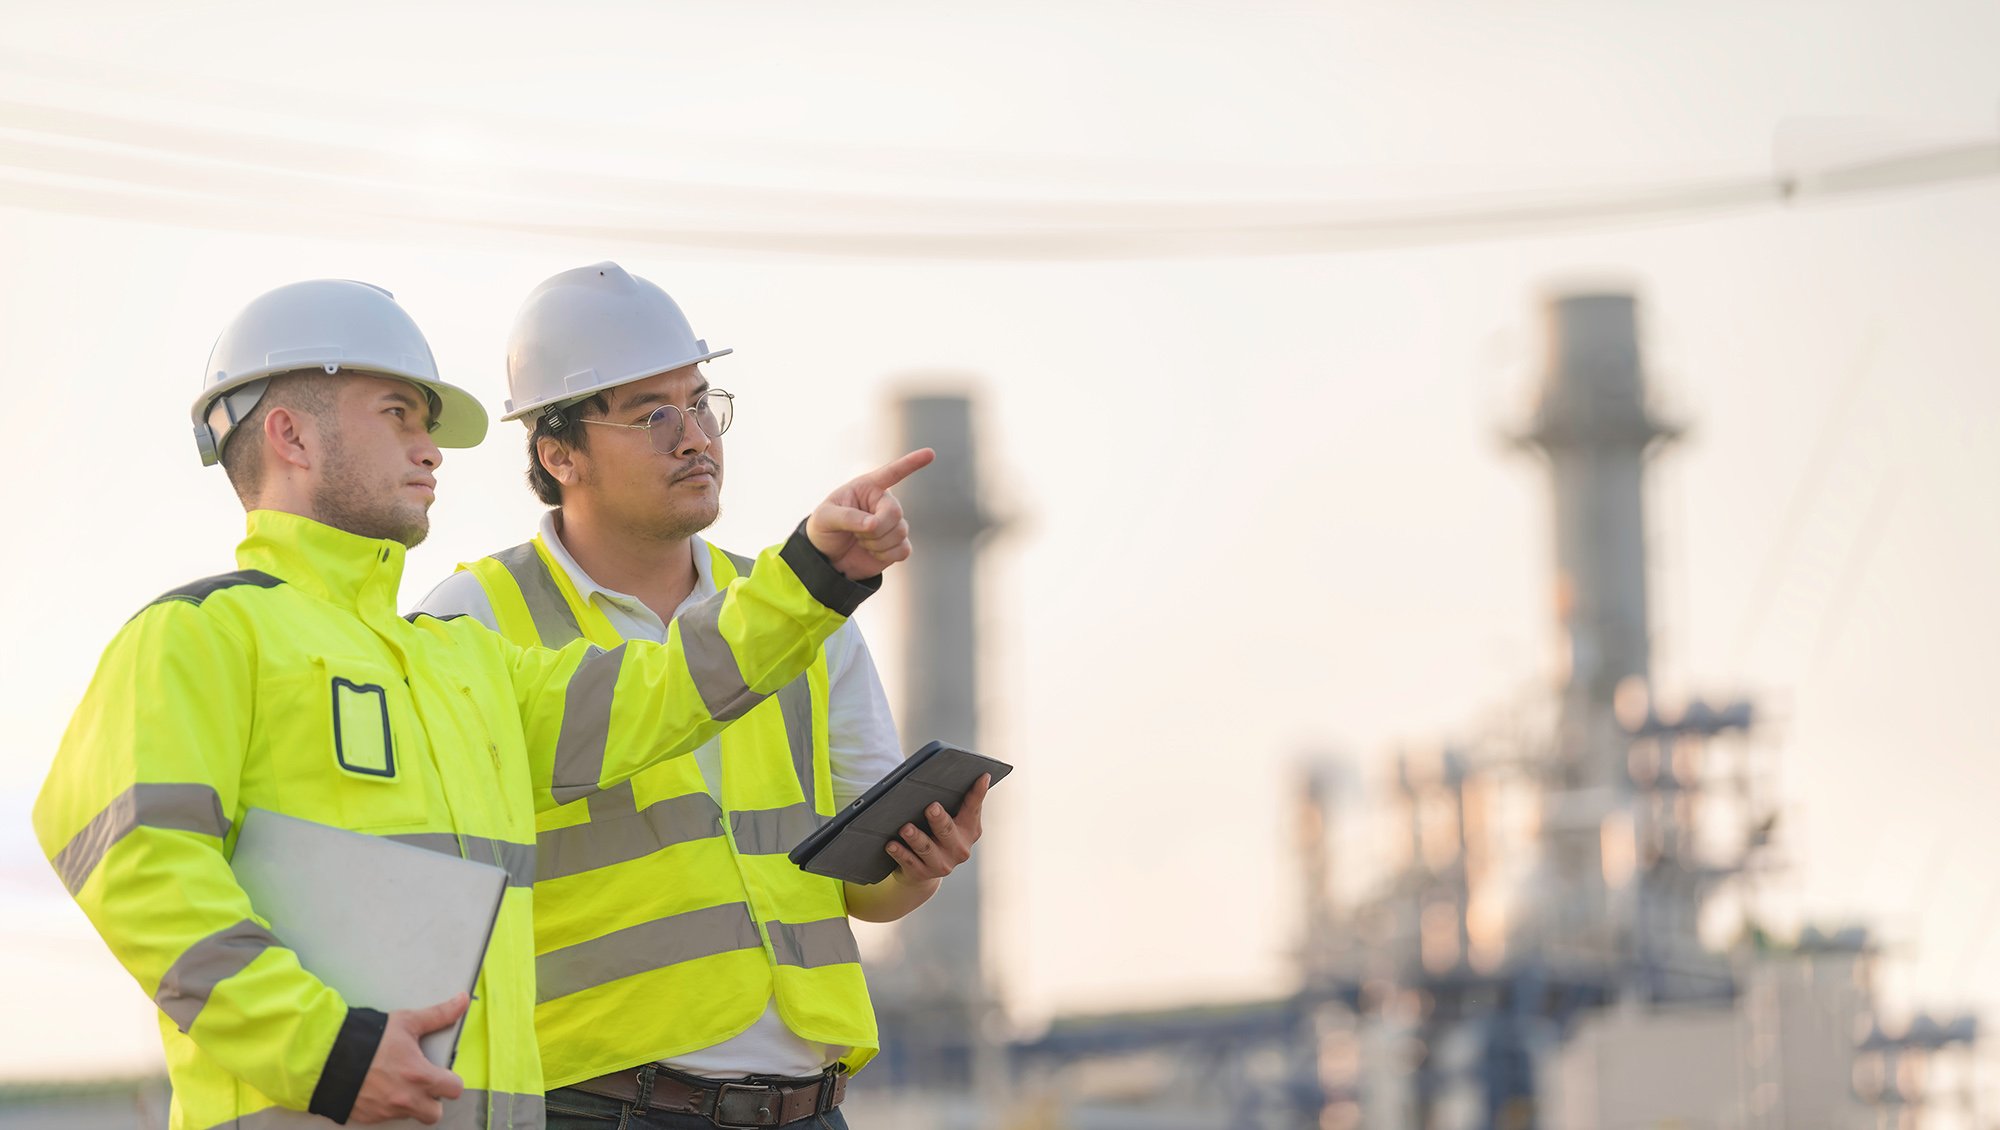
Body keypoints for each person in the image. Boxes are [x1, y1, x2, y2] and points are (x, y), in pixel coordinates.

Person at [32, 278, 932, 1130]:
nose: (431, 450)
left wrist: (813, 573)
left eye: (428, 425)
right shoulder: (203, 634)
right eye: (399, 416)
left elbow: (659, 691)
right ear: (290, 437)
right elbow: (136, 865)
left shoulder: (459, 661)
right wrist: (326, 1052)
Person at [413, 263, 989, 1130]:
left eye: (700, 401)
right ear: (557, 452)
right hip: (602, 1108)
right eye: (652, 414)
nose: (694, 437)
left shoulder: (805, 611)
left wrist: (918, 868)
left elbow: (864, 892)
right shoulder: (473, 620)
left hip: (808, 1103)